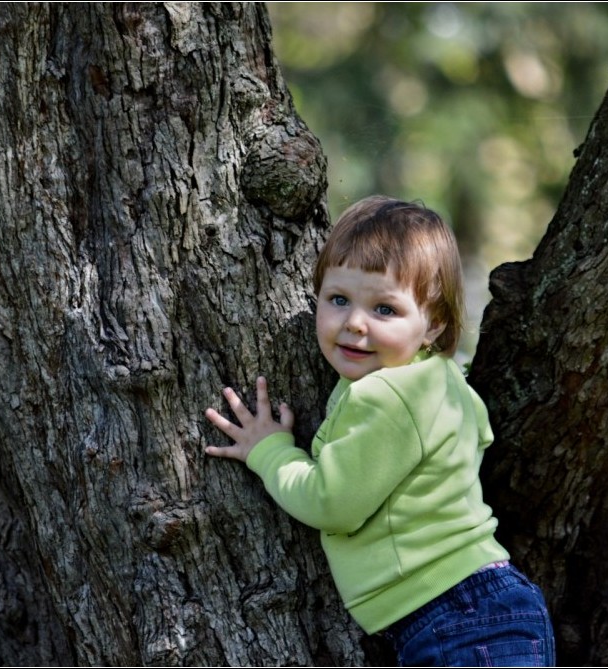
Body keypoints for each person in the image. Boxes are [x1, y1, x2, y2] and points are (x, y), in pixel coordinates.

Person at [204, 195, 556, 667]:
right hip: (478, 610)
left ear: (434, 324)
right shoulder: (440, 381)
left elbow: (333, 503)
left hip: (458, 616)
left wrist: (269, 452)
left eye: (384, 310)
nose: (354, 323)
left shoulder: (388, 395)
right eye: (338, 300)